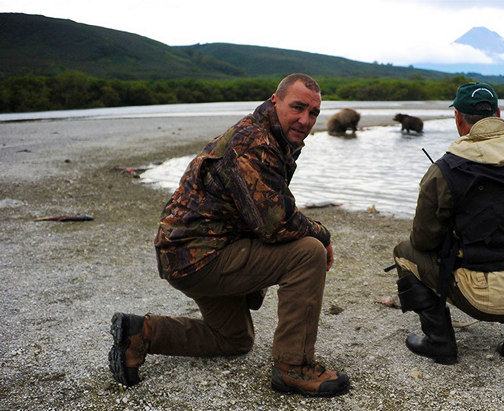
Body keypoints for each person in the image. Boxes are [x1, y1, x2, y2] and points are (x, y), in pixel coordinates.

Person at [108, 73, 350, 397]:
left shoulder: (271, 138)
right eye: (298, 108)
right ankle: (294, 367)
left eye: (314, 113)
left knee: (234, 339)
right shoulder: (255, 141)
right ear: (275, 100)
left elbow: (268, 208)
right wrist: (323, 234)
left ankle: (142, 333)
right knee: (309, 252)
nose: (305, 120)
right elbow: (276, 224)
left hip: (187, 253)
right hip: (201, 254)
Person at [392, 82, 504, 364]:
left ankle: (439, 341)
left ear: (458, 119)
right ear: (498, 113)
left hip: (480, 298)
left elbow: (423, 241)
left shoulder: (444, 170)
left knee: (404, 252)